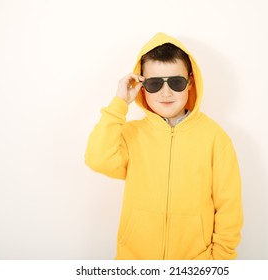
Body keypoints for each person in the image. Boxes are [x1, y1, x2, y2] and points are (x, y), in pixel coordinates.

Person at [85, 32, 243, 260]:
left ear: (190, 82)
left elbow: (230, 208)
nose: (166, 92)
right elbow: (97, 158)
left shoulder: (215, 138)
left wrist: (218, 261)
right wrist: (120, 102)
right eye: (154, 83)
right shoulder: (131, 134)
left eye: (176, 82)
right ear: (141, 85)